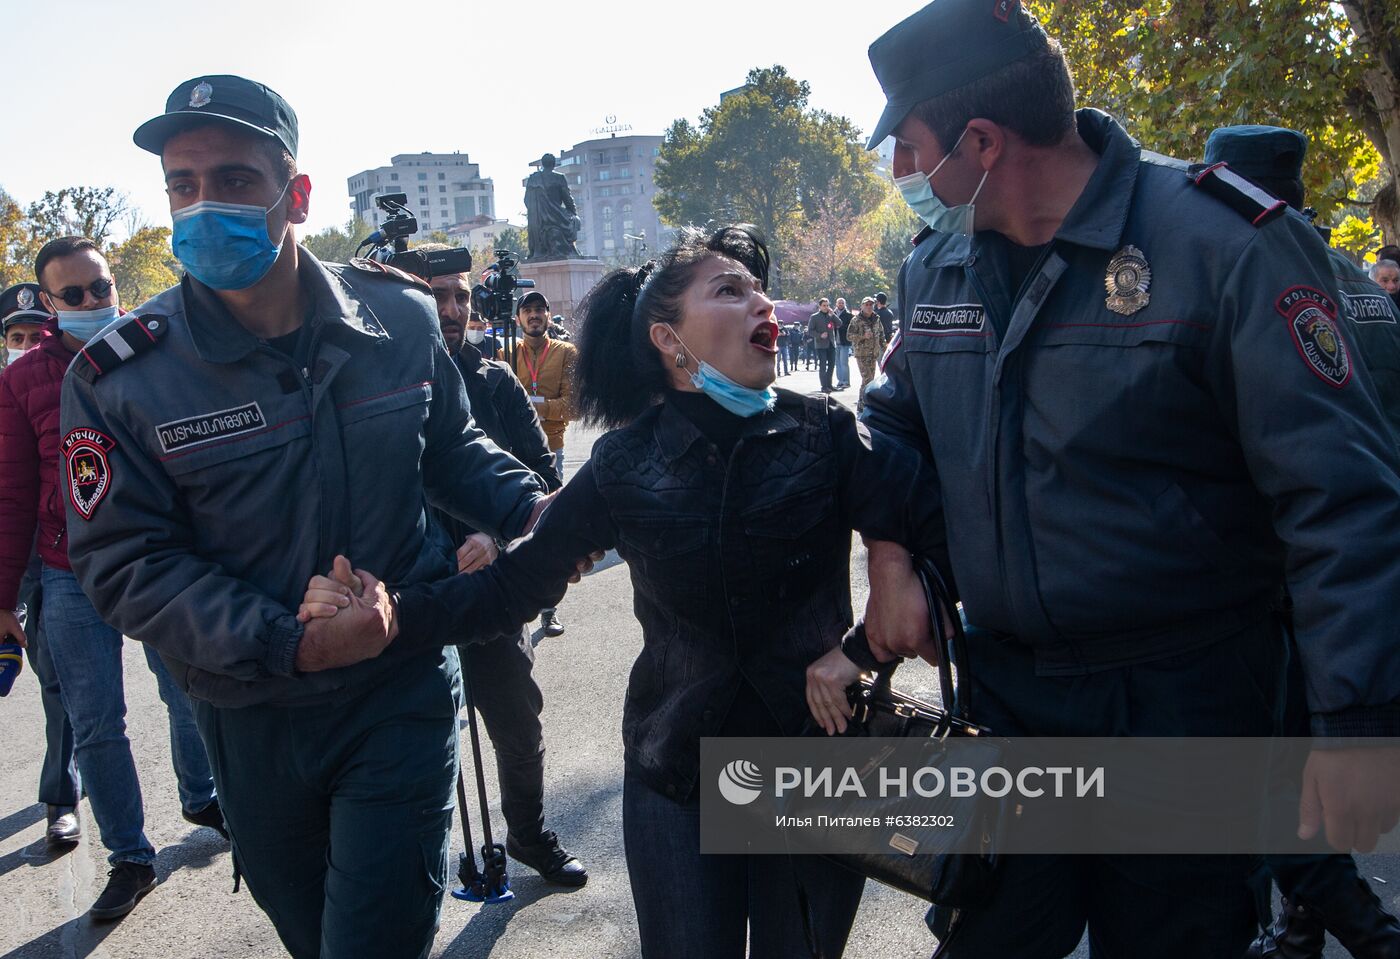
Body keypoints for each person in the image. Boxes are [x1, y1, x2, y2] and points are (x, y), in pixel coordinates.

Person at [858, 2, 1400, 957]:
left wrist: (1355, 725)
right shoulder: (936, 267)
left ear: (982, 142)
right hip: (1009, 702)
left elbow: (1341, 497)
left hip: (1183, 705)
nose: (904, 175)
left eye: (909, 147)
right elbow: (894, 419)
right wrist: (892, 558)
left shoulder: (1224, 244)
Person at [298, 224, 947, 959]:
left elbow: (918, 518)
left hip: (818, 766)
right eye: (730, 289)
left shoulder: (823, 430)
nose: (761, 302)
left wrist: (855, 647)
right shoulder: (624, 464)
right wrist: (390, 619)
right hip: (676, 773)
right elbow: (511, 588)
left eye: (758, 287)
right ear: (670, 339)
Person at [61, 74, 550, 959]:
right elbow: (124, 564)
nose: (204, 205)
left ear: (296, 194)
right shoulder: (119, 377)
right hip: (250, 717)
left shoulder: (398, 319)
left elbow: (453, 450)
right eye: (183, 183)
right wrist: (289, 638)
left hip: (396, 693)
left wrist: (536, 504)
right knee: (314, 938)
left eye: (235, 180)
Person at [1201, 124, 1400, 959]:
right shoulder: (1364, 284)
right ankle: (1300, 927)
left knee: (1270, 781)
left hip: (1280, 577)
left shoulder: (1261, 275)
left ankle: (1363, 927)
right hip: (1355, 576)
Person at [2, 243, 225, 921]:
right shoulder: (21, 382)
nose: (94, 303)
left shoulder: (157, 353)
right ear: (47, 305)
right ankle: (130, 857)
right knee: (97, 723)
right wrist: (5, 597)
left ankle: (204, 794)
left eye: (101, 287)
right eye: (75, 295)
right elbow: (12, 492)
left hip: (160, 564)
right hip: (70, 576)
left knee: (188, 693)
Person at [425, 262, 586, 885]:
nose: (452, 308)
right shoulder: (377, 387)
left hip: (488, 596)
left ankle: (527, 834)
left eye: (460, 296)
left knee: (517, 727)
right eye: (438, 296)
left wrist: (496, 535)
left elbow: (545, 482)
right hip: (408, 592)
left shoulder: (495, 384)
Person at [512, 288, 578, 637]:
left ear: (548, 316)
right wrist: (546, 404)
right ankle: (513, 603)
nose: (535, 315)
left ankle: (549, 608)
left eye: (540, 310)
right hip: (508, 449)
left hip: (551, 450)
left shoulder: (567, 353)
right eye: (528, 310)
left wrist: (523, 405)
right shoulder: (505, 351)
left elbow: (573, 406)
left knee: (549, 527)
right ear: (518, 318)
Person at [846, 296, 887, 412]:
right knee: (867, 378)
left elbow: (881, 334)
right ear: (862, 306)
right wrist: (862, 336)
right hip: (862, 354)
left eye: (871, 305)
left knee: (871, 379)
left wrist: (885, 348)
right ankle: (863, 404)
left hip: (874, 353)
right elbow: (849, 336)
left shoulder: (876, 319)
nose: (869, 307)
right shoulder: (856, 320)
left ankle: (863, 403)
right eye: (866, 305)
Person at [3, 285, 47, 370]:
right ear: (6, 343)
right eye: (17, 339)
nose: (25, 347)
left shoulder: (70, 381)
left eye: (36, 339)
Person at [808, 297, 837, 392]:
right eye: (824, 305)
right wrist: (820, 335)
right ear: (819, 306)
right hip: (821, 345)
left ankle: (829, 384)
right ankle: (824, 386)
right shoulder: (814, 317)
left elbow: (840, 323)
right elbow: (810, 331)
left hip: (831, 344)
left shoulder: (830, 315)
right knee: (823, 366)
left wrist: (833, 315)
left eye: (827, 305)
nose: (826, 307)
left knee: (832, 365)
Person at [833, 296, 854, 389]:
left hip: (844, 342)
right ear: (836, 304)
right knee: (837, 363)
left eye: (842, 303)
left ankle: (846, 381)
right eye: (839, 302)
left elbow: (850, 328)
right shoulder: (832, 314)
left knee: (844, 363)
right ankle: (840, 381)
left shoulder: (849, 315)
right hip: (834, 342)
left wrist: (840, 326)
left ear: (844, 304)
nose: (840, 304)